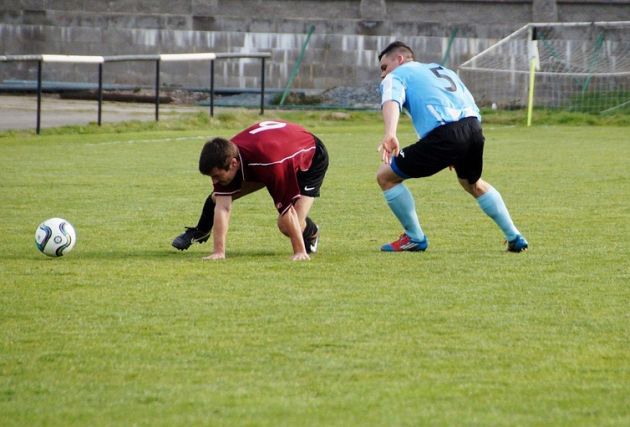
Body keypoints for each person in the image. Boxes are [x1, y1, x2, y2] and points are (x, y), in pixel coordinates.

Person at [376, 41, 528, 252]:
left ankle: (414, 237)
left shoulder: (398, 75)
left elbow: (391, 100)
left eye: (384, 67)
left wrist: (390, 133)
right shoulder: (440, 69)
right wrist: (460, 145)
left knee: (385, 176)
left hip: (446, 135)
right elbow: (469, 102)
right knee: (472, 183)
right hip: (474, 128)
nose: (383, 75)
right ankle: (515, 236)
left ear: (399, 59)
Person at [172, 120, 328, 261]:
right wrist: (219, 252)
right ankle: (200, 231)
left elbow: (287, 211)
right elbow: (223, 206)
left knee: (285, 225)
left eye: (217, 176)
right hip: (271, 154)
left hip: (310, 158)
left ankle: (312, 233)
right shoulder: (226, 154)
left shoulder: (270, 165)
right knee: (217, 196)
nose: (214, 181)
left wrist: (299, 252)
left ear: (233, 164)